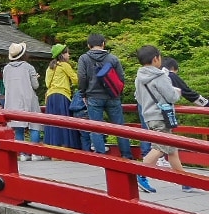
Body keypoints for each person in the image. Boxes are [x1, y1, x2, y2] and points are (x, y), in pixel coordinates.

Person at [133, 45, 198, 193]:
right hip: (161, 117)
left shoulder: (139, 77)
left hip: (149, 116)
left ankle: (184, 180)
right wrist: (178, 91)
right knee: (160, 148)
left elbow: (138, 98)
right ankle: (140, 174)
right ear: (156, 58)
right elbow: (172, 97)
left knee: (171, 149)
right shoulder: (160, 76)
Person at [77, 33, 132, 160]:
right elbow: (121, 78)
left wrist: (83, 93)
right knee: (119, 127)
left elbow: (82, 77)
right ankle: (126, 155)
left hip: (93, 97)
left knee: (96, 128)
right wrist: (118, 93)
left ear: (88, 45)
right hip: (113, 96)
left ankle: (102, 157)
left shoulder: (84, 58)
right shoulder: (113, 58)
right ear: (103, 44)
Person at [4, 42, 44, 160]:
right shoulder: (28, 67)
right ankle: (35, 153)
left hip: (12, 100)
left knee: (18, 127)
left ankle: (22, 154)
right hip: (29, 98)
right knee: (34, 125)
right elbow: (35, 86)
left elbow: (6, 84)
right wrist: (36, 78)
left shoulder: (6, 69)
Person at [43, 43, 80, 149]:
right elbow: (76, 80)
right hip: (62, 95)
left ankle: (53, 148)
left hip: (50, 97)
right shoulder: (64, 65)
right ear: (62, 55)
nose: (69, 55)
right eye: (67, 53)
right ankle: (65, 146)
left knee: (53, 123)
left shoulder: (50, 68)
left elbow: (47, 83)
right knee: (64, 122)